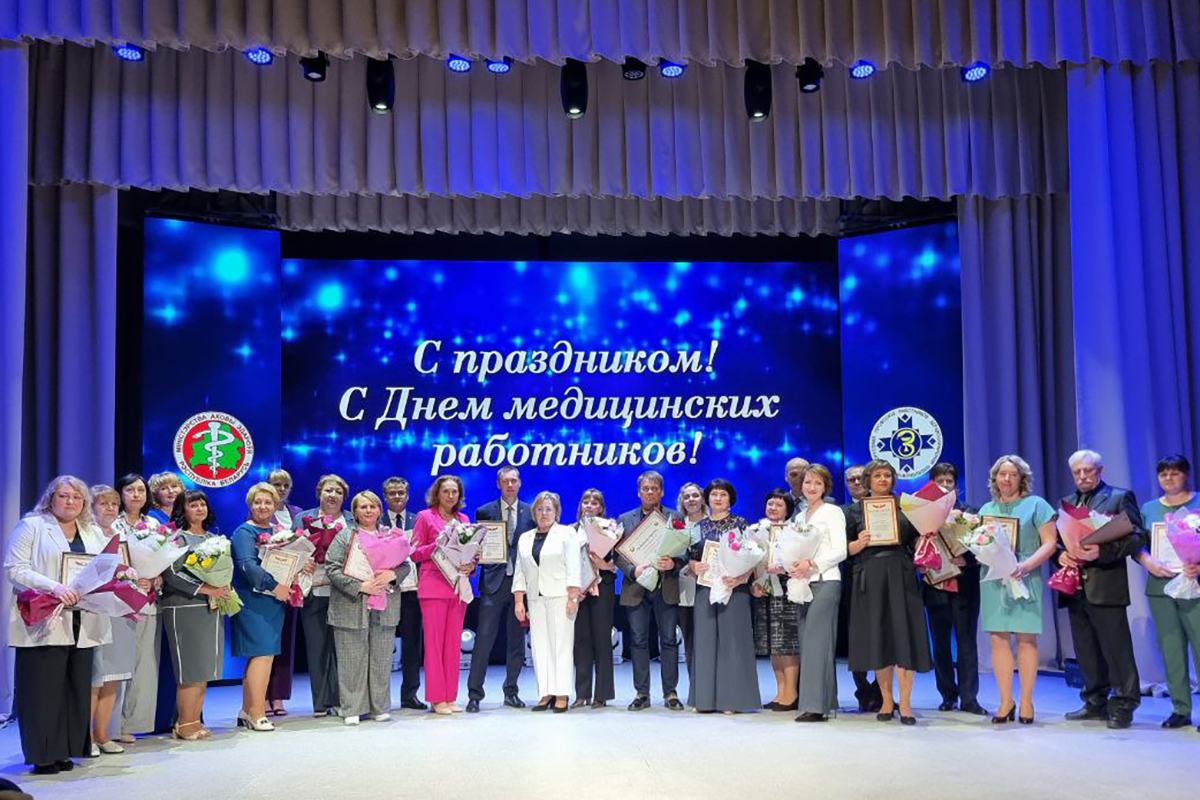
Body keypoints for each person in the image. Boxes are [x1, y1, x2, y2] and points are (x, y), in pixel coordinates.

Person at [5, 476, 112, 774]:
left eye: (76, 497)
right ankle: (42, 755)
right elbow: (14, 569)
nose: (70, 502)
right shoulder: (32, 526)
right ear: (50, 498)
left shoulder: (92, 531)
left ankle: (65, 750)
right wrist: (54, 587)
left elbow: (106, 568)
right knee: (43, 691)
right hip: (45, 618)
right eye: (63, 496)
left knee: (74, 689)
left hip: (83, 619)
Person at [1056, 449, 1146, 729]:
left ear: (1100, 470)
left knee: (1116, 649)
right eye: (1077, 472)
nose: (1083, 476)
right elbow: (1059, 541)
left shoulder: (1119, 497)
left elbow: (1137, 536)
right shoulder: (1066, 502)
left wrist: (1102, 552)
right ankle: (1095, 701)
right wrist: (1060, 555)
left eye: (1088, 470)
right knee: (1086, 649)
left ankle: (1124, 704)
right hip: (1075, 586)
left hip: (1106, 584)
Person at [845, 460, 933, 725]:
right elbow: (842, 549)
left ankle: (905, 703)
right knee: (879, 637)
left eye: (887, 475)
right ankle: (886, 700)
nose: (883, 479)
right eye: (878, 475)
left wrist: (925, 538)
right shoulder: (854, 511)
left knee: (903, 637)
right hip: (869, 575)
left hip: (901, 573)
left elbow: (917, 540)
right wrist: (856, 545)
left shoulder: (907, 507)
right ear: (868, 480)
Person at [977, 456, 1057, 724]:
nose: (1007, 479)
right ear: (995, 478)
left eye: (1013, 474)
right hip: (994, 578)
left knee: (1026, 639)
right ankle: (1005, 701)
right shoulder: (987, 509)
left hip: (1025, 576)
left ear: (1022, 478)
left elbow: (1050, 543)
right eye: (1002, 474)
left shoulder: (1037, 505)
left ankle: (1026, 701)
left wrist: (1026, 565)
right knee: (997, 639)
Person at [326, 491, 405, 725]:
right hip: (351, 605)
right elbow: (332, 568)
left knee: (381, 658)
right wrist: (361, 586)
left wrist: (393, 574)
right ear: (355, 512)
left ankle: (379, 707)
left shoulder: (391, 535)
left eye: (372, 506)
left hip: (385, 605)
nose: (368, 510)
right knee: (351, 659)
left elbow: (406, 565)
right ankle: (352, 708)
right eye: (363, 507)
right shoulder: (345, 536)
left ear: (380, 510)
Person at [1135, 454, 1200, 729]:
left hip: (1195, 586)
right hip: (1161, 587)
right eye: (1163, 474)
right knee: (1171, 649)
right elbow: (1137, 545)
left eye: (1175, 473)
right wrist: (1148, 561)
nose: (1169, 478)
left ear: (1186, 475)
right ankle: (1180, 709)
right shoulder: (1149, 508)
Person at [687, 479, 759, 713]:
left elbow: (753, 557)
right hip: (705, 588)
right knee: (704, 642)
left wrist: (740, 578)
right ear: (707, 498)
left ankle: (732, 701)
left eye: (723, 494)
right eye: (714, 494)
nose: (718, 498)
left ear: (731, 499)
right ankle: (704, 700)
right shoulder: (698, 526)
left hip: (734, 589)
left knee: (733, 642)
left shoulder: (740, 523)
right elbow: (690, 557)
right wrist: (694, 566)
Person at [161, 489, 228, 740]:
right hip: (184, 608)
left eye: (202, 504)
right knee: (190, 669)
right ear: (182, 509)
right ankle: (184, 723)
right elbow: (172, 574)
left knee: (203, 668)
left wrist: (222, 588)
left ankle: (194, 720)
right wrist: (206, 588)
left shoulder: (213, 538)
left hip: (210, 607)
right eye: (193, 505)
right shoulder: (176, 539)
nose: (199, 509)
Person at [615, 470, 684, 711]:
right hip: (636, 588)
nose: (650, 492)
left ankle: (670, 693)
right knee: (638, 641)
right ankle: (642, 694)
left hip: (666, 586)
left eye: (654, 488)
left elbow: (685, 550)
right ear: (639, 492)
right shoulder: (625, 519)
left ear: (662, 491)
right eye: (645, 488)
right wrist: (632, 570)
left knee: (669, 641)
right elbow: (617, 554)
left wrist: (673, 563)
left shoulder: (675, 517)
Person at [923, 462, 986, 716]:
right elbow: (913, 545)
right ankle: (948, 695)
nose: (944, 485)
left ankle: (970, 698)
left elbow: (985, 546)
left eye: (949, 481)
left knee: (966, 642)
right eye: (939, 481)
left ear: (956, 487)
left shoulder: (971, 513)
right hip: (935, 585)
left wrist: (967, 559)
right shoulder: (923, 515)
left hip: (965, 586)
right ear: (931, 485)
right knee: (940, 644)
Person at [466, 466, 531, 712]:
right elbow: (477, 545)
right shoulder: (485, 511)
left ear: (520, 483)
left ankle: (511, 692)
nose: (510, 485)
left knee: (516, 641)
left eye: (514, 480)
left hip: (521, 586)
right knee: (483, 639)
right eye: (506, 481)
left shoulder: (530, 512)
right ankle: (474, 695)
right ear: (498, 484)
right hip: (493, 583)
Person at [230, 482, 292, 731]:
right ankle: (257, 713)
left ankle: (247, 710)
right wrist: (275, 586)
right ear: (250, 505)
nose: (263, 506)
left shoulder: (280, 532)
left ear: (276, 505)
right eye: (258, 502)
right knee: (262, 654)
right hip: (253, 601)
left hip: (273, 602)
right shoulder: (244, 532)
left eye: (268, 502)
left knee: (263, 655)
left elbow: (291, 559)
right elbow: (248, 566)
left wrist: (302, 568)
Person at [410, 475, 475, 715]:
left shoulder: (464, 519)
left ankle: (450, 696)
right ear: (437, 493)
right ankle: (437, 698)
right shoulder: (424, 517)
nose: (450, 495)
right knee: (435, 645)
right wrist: (437, 545)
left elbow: (470, 552)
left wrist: (471, 564)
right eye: (446, 491)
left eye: (454, 492)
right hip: (433, 587)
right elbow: (414, 553)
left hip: (457, 588)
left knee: (453, 645)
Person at [513, 492, 582, 712]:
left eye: (549, 509)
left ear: (556, 512)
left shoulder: (566, 533)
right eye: (540, 509)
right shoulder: (525, 538)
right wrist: (519, 600)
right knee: (539, 647)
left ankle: (561, 693)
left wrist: (573, 596)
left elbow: (574, 567)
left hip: (561, 596)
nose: (544, 513)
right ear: (534, 512)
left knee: (561, 646)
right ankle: (546, 692)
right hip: (535, 598)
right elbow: (520, 571)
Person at [790, 466, 848, 722]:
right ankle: (823, 701)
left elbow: (840, 550)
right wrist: (790, 563)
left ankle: (815, 706)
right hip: (804, 584)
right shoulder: (800, 517)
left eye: (817, 483)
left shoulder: (832, 512)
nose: (811, 487)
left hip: (826, 581)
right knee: (809, 643)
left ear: (825, 487)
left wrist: (812, 564)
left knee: (817, 643)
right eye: (807, 482)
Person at [112, 473, 162, 743]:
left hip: (147, 600)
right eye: (130, 490)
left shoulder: (154, 524)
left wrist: (154, 578)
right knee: (117, 664)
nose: (136, 495)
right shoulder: (112, 523)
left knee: (144, 664)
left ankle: (132, 724)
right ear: (120, 493)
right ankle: (109, 725)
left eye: (141, 490)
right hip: (117, 602)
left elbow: (162, 562)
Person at [295, 474, 351, 717]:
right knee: (316, 648)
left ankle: (341, 701)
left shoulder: (352, 519)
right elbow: (290, 549)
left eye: (338, 492)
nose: (333, 495)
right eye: (328, 490)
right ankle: (320, 703)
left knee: (342, 649)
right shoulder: (303, 518)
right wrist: (303, 561)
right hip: (314, 590)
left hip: (345, 593)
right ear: (319, 493)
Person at [87, 485, 134, 756]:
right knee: (95, 677)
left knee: (113, 675)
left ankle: (103, 734)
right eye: (103, 503)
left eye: (114, 504)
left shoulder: (122, 534)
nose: (110, 508)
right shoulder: (86, 534)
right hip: (95, 610)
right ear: (91, 507)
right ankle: (86, 737)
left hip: (121, 609)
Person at [752, 490, 801, 711]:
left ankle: (791, 693)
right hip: (764, 590)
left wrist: (784, 567)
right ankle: (780, 691)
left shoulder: (795, 531)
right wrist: (755, 583)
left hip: (787, 590)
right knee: (773, 644)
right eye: (770, 503)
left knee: (787, 644)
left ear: (788, 509)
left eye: (779, 505)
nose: (773, 508)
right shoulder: (755, 530)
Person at [571, 488, 618, 708]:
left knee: (602, 640)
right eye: (586, 502)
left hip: (603, 588)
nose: (589, 505)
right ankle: (582, 694)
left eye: (594, 503)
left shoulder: (609, 528)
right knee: (581, 641)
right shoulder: (571, 530)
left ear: (601, 508)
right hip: (579, 591)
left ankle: (602, 694)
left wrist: (605, 565)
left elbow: (620, 560)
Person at [382, 476, 425, 710]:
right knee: (382, 645)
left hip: (412, 591)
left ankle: (410, 695)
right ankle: (379, 698)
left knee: (412, 645)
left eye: (401, 493)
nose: (397, 496)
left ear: (407, 496)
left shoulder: (418, 520)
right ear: (385, 496)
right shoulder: (376, 520)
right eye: (392, 493)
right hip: (384, 590)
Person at [839, 463, 879, 712]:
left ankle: (881, 691)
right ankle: (864, 692)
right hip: (855, 577)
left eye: (860, 478)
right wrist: (852, 546)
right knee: (858, 638)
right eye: (851, 479)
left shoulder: (888, 506)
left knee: (884, 634)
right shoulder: (841, 512)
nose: (856, 482)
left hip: (885, 576)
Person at [266, 468, 302, 717]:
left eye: (285, 485)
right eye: (276, 484)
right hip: (267, 585)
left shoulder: (297, 513)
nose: (281, 489)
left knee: (286, 642)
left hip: (292, 584)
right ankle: (261, 696)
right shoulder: (259, 510)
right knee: (266, 642)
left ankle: (278, 697)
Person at [674, 483, 706, 686]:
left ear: (702, 498)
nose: (691, 500)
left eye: (695, 495)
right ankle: (696, 687)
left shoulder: (713, 523)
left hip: (711, 589)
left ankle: (712, 686)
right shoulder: (676, 526)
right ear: (682, 501)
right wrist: (689, 566)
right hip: (685, 590)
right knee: (690, 640)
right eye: (687, 497)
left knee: (709, 640)